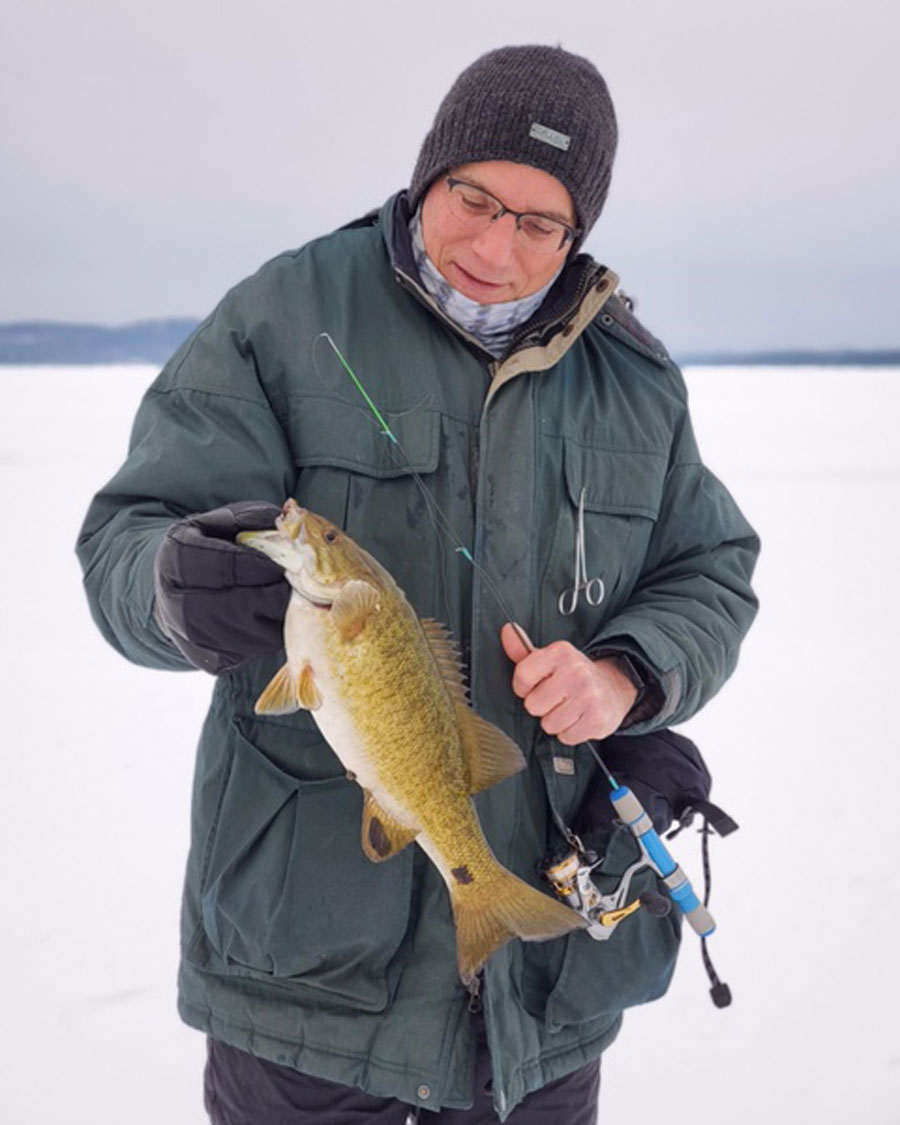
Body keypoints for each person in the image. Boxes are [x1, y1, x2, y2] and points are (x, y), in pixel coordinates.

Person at [76, 45, 759, 1124]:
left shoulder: (633, 380)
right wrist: (171, 587)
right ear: (427, 174)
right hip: (304, 985)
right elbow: (127, 537)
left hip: (542, 1001)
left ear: (578, 233)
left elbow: (712, 571)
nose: (495, 247)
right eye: (473, 200)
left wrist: (627, 674)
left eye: (539, 224)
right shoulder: (283, 315)